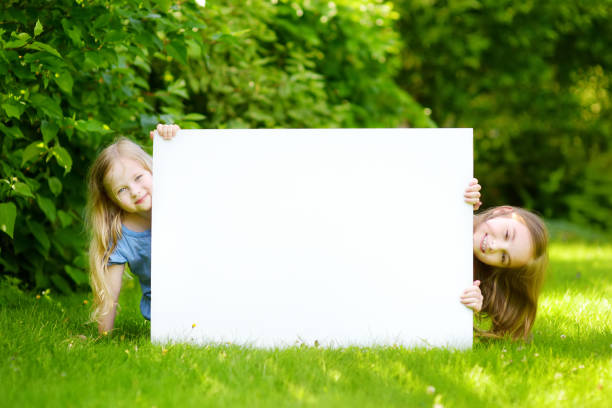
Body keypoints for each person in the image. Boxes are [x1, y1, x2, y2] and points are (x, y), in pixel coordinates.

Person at [86, 124, 179, 334]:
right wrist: (102, 336)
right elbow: (111, 292)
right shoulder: (121, 236)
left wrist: (172, 144)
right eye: (122, 190)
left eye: (138, 178)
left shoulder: (180, 198)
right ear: (112, 200)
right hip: (167, 316)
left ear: (152, 168)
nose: (136, 192)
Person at [460, 179, 549, 340]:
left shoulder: (467, 276)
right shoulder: (464, 201)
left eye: (503, 257)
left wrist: (465, 307)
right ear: (501, 211)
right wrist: (458, 195)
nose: (494, 246)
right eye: (507, 234)